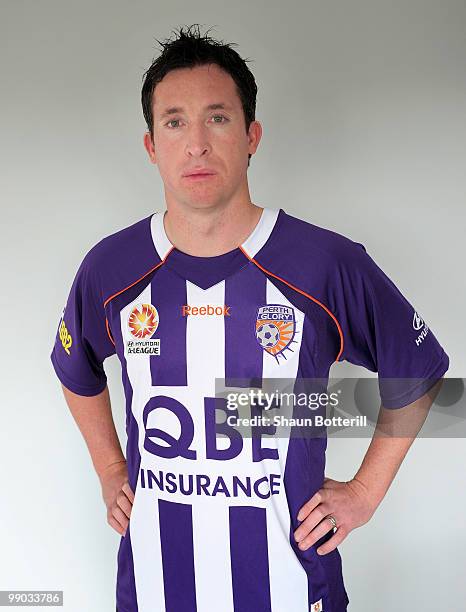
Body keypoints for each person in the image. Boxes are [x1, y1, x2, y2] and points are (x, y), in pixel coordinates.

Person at [50, 24, 449, 612]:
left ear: (251, 134)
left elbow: (421, 374)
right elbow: (74, 368)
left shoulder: (323, 264)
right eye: (174, 121)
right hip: (155, 590)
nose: (197, 144)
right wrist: (111, 470)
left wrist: (365, 492)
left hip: (293, 591)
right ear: (151, 144)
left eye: (217, 118)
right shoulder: (112, 269)